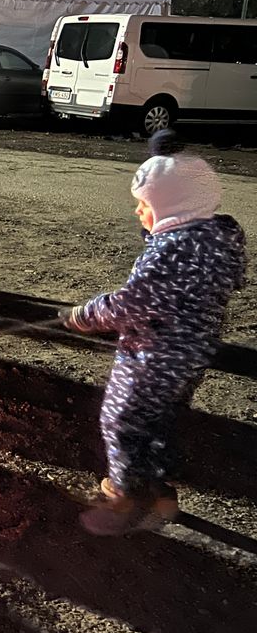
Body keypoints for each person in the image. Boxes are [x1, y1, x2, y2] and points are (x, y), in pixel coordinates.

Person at [63, 131, 246, 536]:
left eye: (143, 205)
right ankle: (164, 494)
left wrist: (84, 315)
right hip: (193, 353)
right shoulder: (221, 236)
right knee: (161, 420)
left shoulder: (169, 252)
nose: (137, 212)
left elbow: (131, 304)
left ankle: (120, 497)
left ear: (171, 209)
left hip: (153, 353)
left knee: (121, 419)